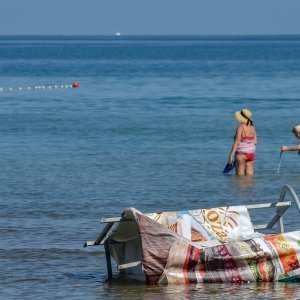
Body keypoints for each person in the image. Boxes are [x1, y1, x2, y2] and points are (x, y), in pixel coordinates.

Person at [228, 109, 257, 176]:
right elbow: (255, 142)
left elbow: (237, 142)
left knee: (240, 178)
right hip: (251, 154)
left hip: (241, 155)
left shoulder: (240, 127)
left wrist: (231, 156)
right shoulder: (253, 127)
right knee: (250, 177)